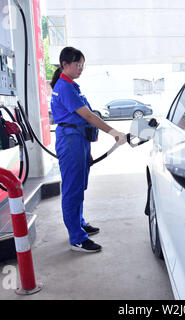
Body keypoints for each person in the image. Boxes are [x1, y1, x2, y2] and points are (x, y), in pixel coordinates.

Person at [50, 46, 126, 253]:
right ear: (64, 65)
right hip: (71, 142)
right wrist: (114, 133)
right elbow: (89, 116)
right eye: (77, 64)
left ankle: (79, 222)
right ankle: (76, 238)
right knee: (72, 189)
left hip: (78, 142)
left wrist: (87, 149)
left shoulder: (71, 85)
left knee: (79, 185)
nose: (81, 68)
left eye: (82, 65)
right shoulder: (65, 87)